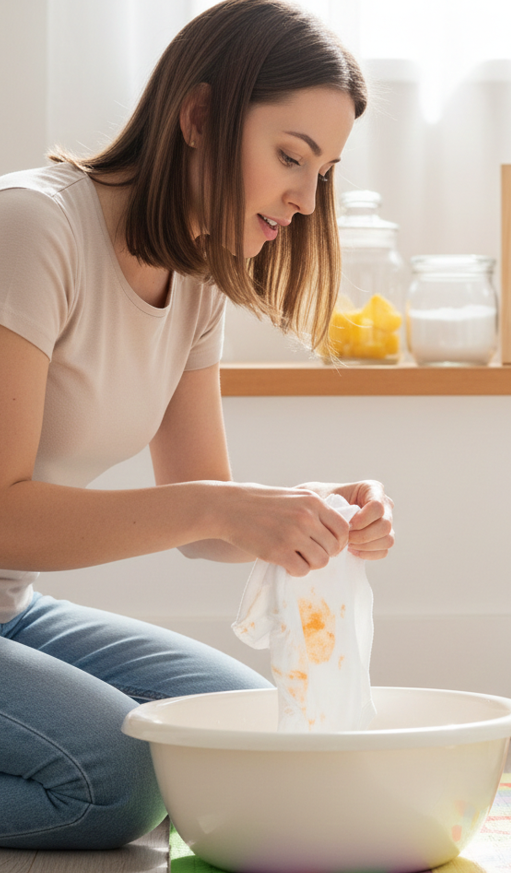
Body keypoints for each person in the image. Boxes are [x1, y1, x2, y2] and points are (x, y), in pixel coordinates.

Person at [0, 0, 394, 851]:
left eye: (323, 172)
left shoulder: (197, 277)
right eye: (290, 157)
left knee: (240, 737)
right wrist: (222, 505)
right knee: (121, 780)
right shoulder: (32, 228)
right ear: (200, 117)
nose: (305, 198)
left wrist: (301, 511)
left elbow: (205, 521)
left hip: (10, 608)